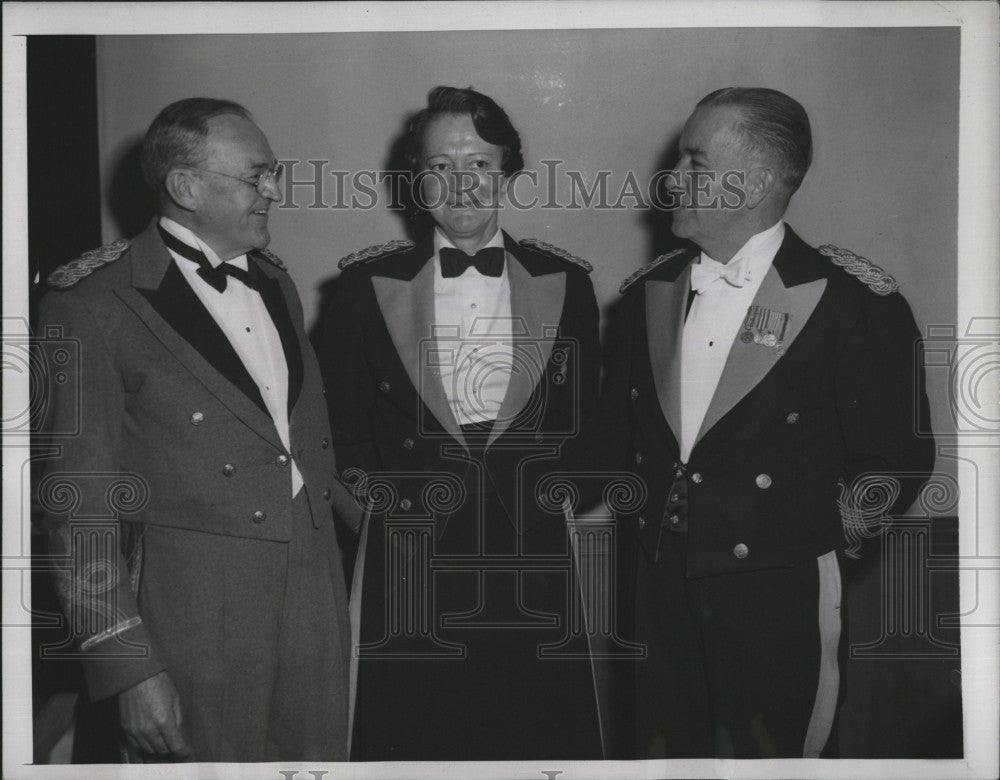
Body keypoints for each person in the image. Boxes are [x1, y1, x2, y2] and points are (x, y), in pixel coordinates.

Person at [600, 87, 936, 759]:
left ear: (752, 183)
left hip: (777, 592)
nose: (672, 179)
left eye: (694, 163)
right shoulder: (648, 296)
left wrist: (816, 544)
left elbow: (895, 461)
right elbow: (616, 442)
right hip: (657, 589)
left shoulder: (851, 304)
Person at [36, 98, 358, 762]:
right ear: (185, 187)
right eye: (255, 176)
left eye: (274, 173)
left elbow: (298, 447)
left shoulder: (276, 284)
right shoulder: (92, 305)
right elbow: (78, 506)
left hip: (314, 594)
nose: (273, 190)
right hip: (195, 612)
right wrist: (125, 667)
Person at [317, 85, 604, 760]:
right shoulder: (361, 291)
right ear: (416, 181)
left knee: (535, 742)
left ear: (509, 171)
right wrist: (386, 530)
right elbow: (338, 435)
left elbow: (586, 430)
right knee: (411, 745)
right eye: (440, 166)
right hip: (411, 564)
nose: (461, 183)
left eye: (479, 163)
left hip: (532, 561)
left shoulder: (567, 283)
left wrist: (555, 507)